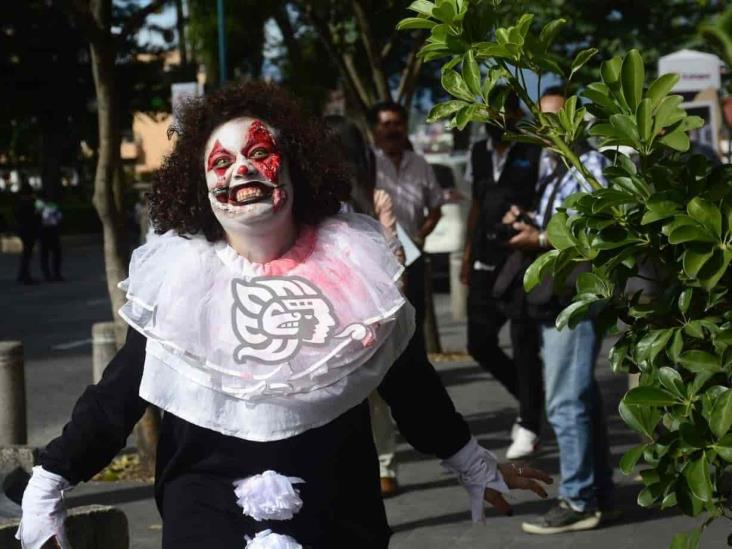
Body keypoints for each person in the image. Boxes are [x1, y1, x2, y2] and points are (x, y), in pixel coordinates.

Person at [16, 82, 551, 549]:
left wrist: (475, 467)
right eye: (222, 162)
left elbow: (411, 385)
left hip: (337, 516)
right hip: (206, 517)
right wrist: (48, 483)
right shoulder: (183, 281)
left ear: (296, 168)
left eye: (259, 153)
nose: (242, 169)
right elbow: (117, 396)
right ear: (200, 186)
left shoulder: (352, 271)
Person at [499, 87, 616, 534]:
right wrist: (528, 223)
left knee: (566, 402)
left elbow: (599, 233)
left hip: (575, 294)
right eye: (543, 120)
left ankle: (579, 498)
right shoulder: (554, 168)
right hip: (556, 297)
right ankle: (598, 494)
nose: (550, 129)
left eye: (558, 119)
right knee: (580, 399)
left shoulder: (590, 167)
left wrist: (542, 239)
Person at [324, 114, 405, 498]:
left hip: (350, 314)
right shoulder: (370, 200)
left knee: (365, 396)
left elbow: (394, 257)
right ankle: (379, 467)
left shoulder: (369, 200)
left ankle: (379, 466)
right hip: (351, 311)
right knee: (370, 398)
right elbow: (396, 259)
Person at [460, 90, 544, 460]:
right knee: (479, 343)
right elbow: (476, 205)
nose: (496, 116)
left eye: (503, 109)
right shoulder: (478, 153)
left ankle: (529, 420)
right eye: (488, 109)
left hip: (520, 258)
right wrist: (466, 255)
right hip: (483, 257)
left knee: (523, 342)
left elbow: (544, 199)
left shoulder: (532, 149)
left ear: (516, 111)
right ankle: (533, 399)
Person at [369, 101, 443, 347]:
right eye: (385, 124)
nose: (392, 130)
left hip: (412, 257)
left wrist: (419, 237)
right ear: (375, 129)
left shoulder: (420, 164)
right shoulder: (368, 164)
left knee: (414, 320)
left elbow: (435, 208)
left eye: (397, 123)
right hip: (378, 259)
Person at [14, 182, 41, 285]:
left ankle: (22, 274)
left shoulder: (20, 203)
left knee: (26, 253)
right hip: (29, 230)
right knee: (27, 253)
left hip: (23, 230)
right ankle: (25, 275)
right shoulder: (29, 203)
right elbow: (35, 215)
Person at [37, 195, 64, 282]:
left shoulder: (39, 205)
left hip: (44, 231)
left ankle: (48, 275)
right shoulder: (52, 205)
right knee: (55, 253)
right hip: (52, 230)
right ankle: (56, 274)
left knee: (45, 254)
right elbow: (59, 217)